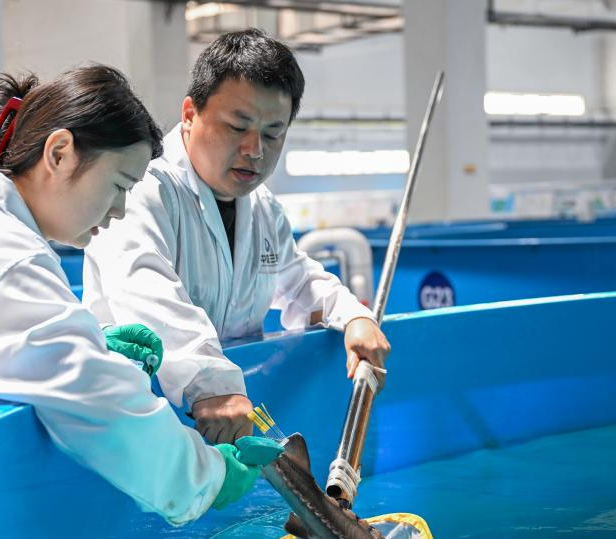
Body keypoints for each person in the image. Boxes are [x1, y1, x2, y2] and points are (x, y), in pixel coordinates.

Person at [0, 65, 282, 525]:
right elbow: (103, 409)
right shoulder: (6, 256)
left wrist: (91, 344)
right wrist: (207, 474)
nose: (120, 211)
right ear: (59, 153)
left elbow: (7, 345)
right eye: (119, 186)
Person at [82, 29, 391, 445]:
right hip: (137, 426)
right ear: (189, 114)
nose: (255, 150)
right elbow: (145, 291)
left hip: (231, 419)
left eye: (273, 133)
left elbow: (297, 279)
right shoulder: (142, 189)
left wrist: (352, 315)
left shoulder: (263, 207)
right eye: (237, 126)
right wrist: (211, 383)